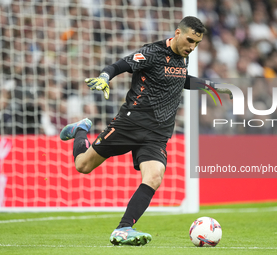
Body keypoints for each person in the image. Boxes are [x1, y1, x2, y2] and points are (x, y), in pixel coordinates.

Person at [60, 16, 231, 246]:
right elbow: (120, 65)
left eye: (197, 43)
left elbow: (180, 79)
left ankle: (123, 229)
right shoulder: (152, 53)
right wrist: (104, 77)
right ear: (177, 33)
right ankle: (81, 129)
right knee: (83, 165)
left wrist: (209, 86)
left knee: (154, 176)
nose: (192, 47)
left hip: (158, 134)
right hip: (131, 124)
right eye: (190, 40)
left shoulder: (183, 57)